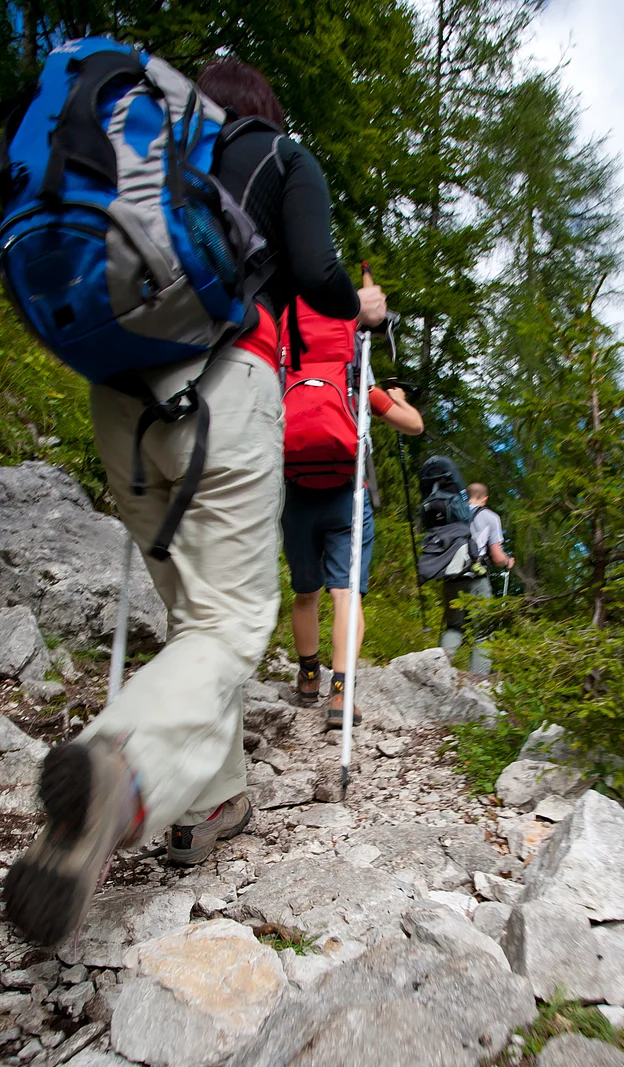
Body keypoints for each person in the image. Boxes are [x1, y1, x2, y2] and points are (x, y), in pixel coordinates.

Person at [3, 56, 388, 945]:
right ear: (264, 106)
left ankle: (212, 804)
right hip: (223, 387)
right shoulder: (278, 155)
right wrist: (358, 306)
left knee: (193, 622)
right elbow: (318, 273)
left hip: (117, 403)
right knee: (228, 624)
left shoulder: (138, 151)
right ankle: (121, 768)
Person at [282, 316, 424, 730]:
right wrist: (395, 398)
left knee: (305, 592)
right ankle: (341, 694)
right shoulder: (354, 378)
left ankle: (309, 678)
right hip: (346, 493)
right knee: (345, 595)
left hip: (295, 493)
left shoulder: (283, 370)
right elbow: (413, 425)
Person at [440, 483, 514, 676]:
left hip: (450, 577)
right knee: (483, 632)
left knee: (454, 627)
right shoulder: (490, 517)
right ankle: (479, 682)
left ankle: (437, 671)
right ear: (485, 498)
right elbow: (497, 557)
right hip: (475, 578)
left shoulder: (451, 513)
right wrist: (508, 561)